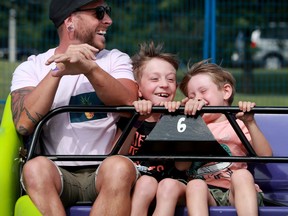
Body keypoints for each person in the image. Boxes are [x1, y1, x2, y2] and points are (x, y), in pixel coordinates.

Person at [10, 0, 139, 215]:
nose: (108, 20)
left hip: (105, 172)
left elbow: (129, 104)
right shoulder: (31, 67)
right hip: (56, 174)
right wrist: (59, 70)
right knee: (34, 169)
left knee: (119, 167)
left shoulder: (115, 59)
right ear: (70, 21)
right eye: (99, 13)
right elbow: (24, 124)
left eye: (107, 12)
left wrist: (89, 68)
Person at [177, 59, 273, 216]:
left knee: (242, 175)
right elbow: (181, 166)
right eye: (191, 96)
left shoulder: (238, 124)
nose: (197, 99)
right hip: (207, 194)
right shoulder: (191, 127)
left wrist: (250, 122)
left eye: (203, 91)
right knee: (194, 185)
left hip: (236, 192)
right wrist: (189, 122)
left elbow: (265, 156)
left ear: (226, 92)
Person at [116, 41, 186, 216]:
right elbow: (118, 155)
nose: (164, 84)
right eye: (154, 79)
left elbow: (183, 165)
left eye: (170, 79)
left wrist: (176, 120)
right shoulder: (128, 117)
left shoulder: (179, 118)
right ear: (138, 88)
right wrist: (137, 121)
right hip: (138, 184)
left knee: (158, 185)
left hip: (170, 186)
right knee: (146, 183)